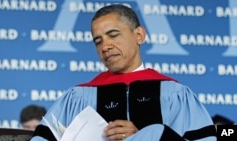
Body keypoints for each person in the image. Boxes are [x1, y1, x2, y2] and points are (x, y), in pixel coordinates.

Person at [31, 4, 216, 141]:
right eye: (98, 41)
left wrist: (146, 137)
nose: (105, 46)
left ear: (139, 35)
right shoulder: (78, 97)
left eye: (113, 35)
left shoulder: (174, 94)